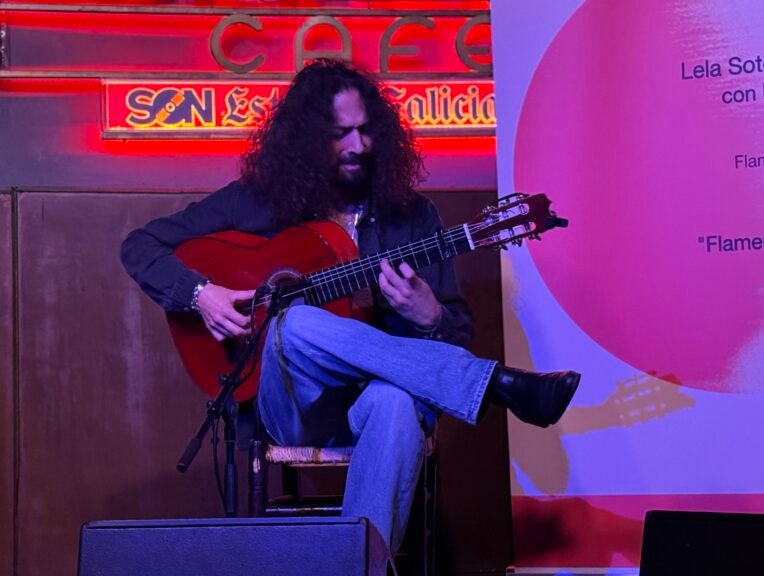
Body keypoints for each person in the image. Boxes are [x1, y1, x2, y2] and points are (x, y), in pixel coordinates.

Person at [121, 59, 580, 553]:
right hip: (292, 404)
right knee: (294, 322)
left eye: (365, 130)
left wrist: (431, 316)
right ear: (306, 138)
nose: (357, 146)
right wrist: (201, 294)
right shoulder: (254, 203)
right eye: (341, 134)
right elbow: (140, 246)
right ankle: (491, 383)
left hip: (378, 398)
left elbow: (456, 325)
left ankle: (362, 566)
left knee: (396, 402)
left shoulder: (412, 218)